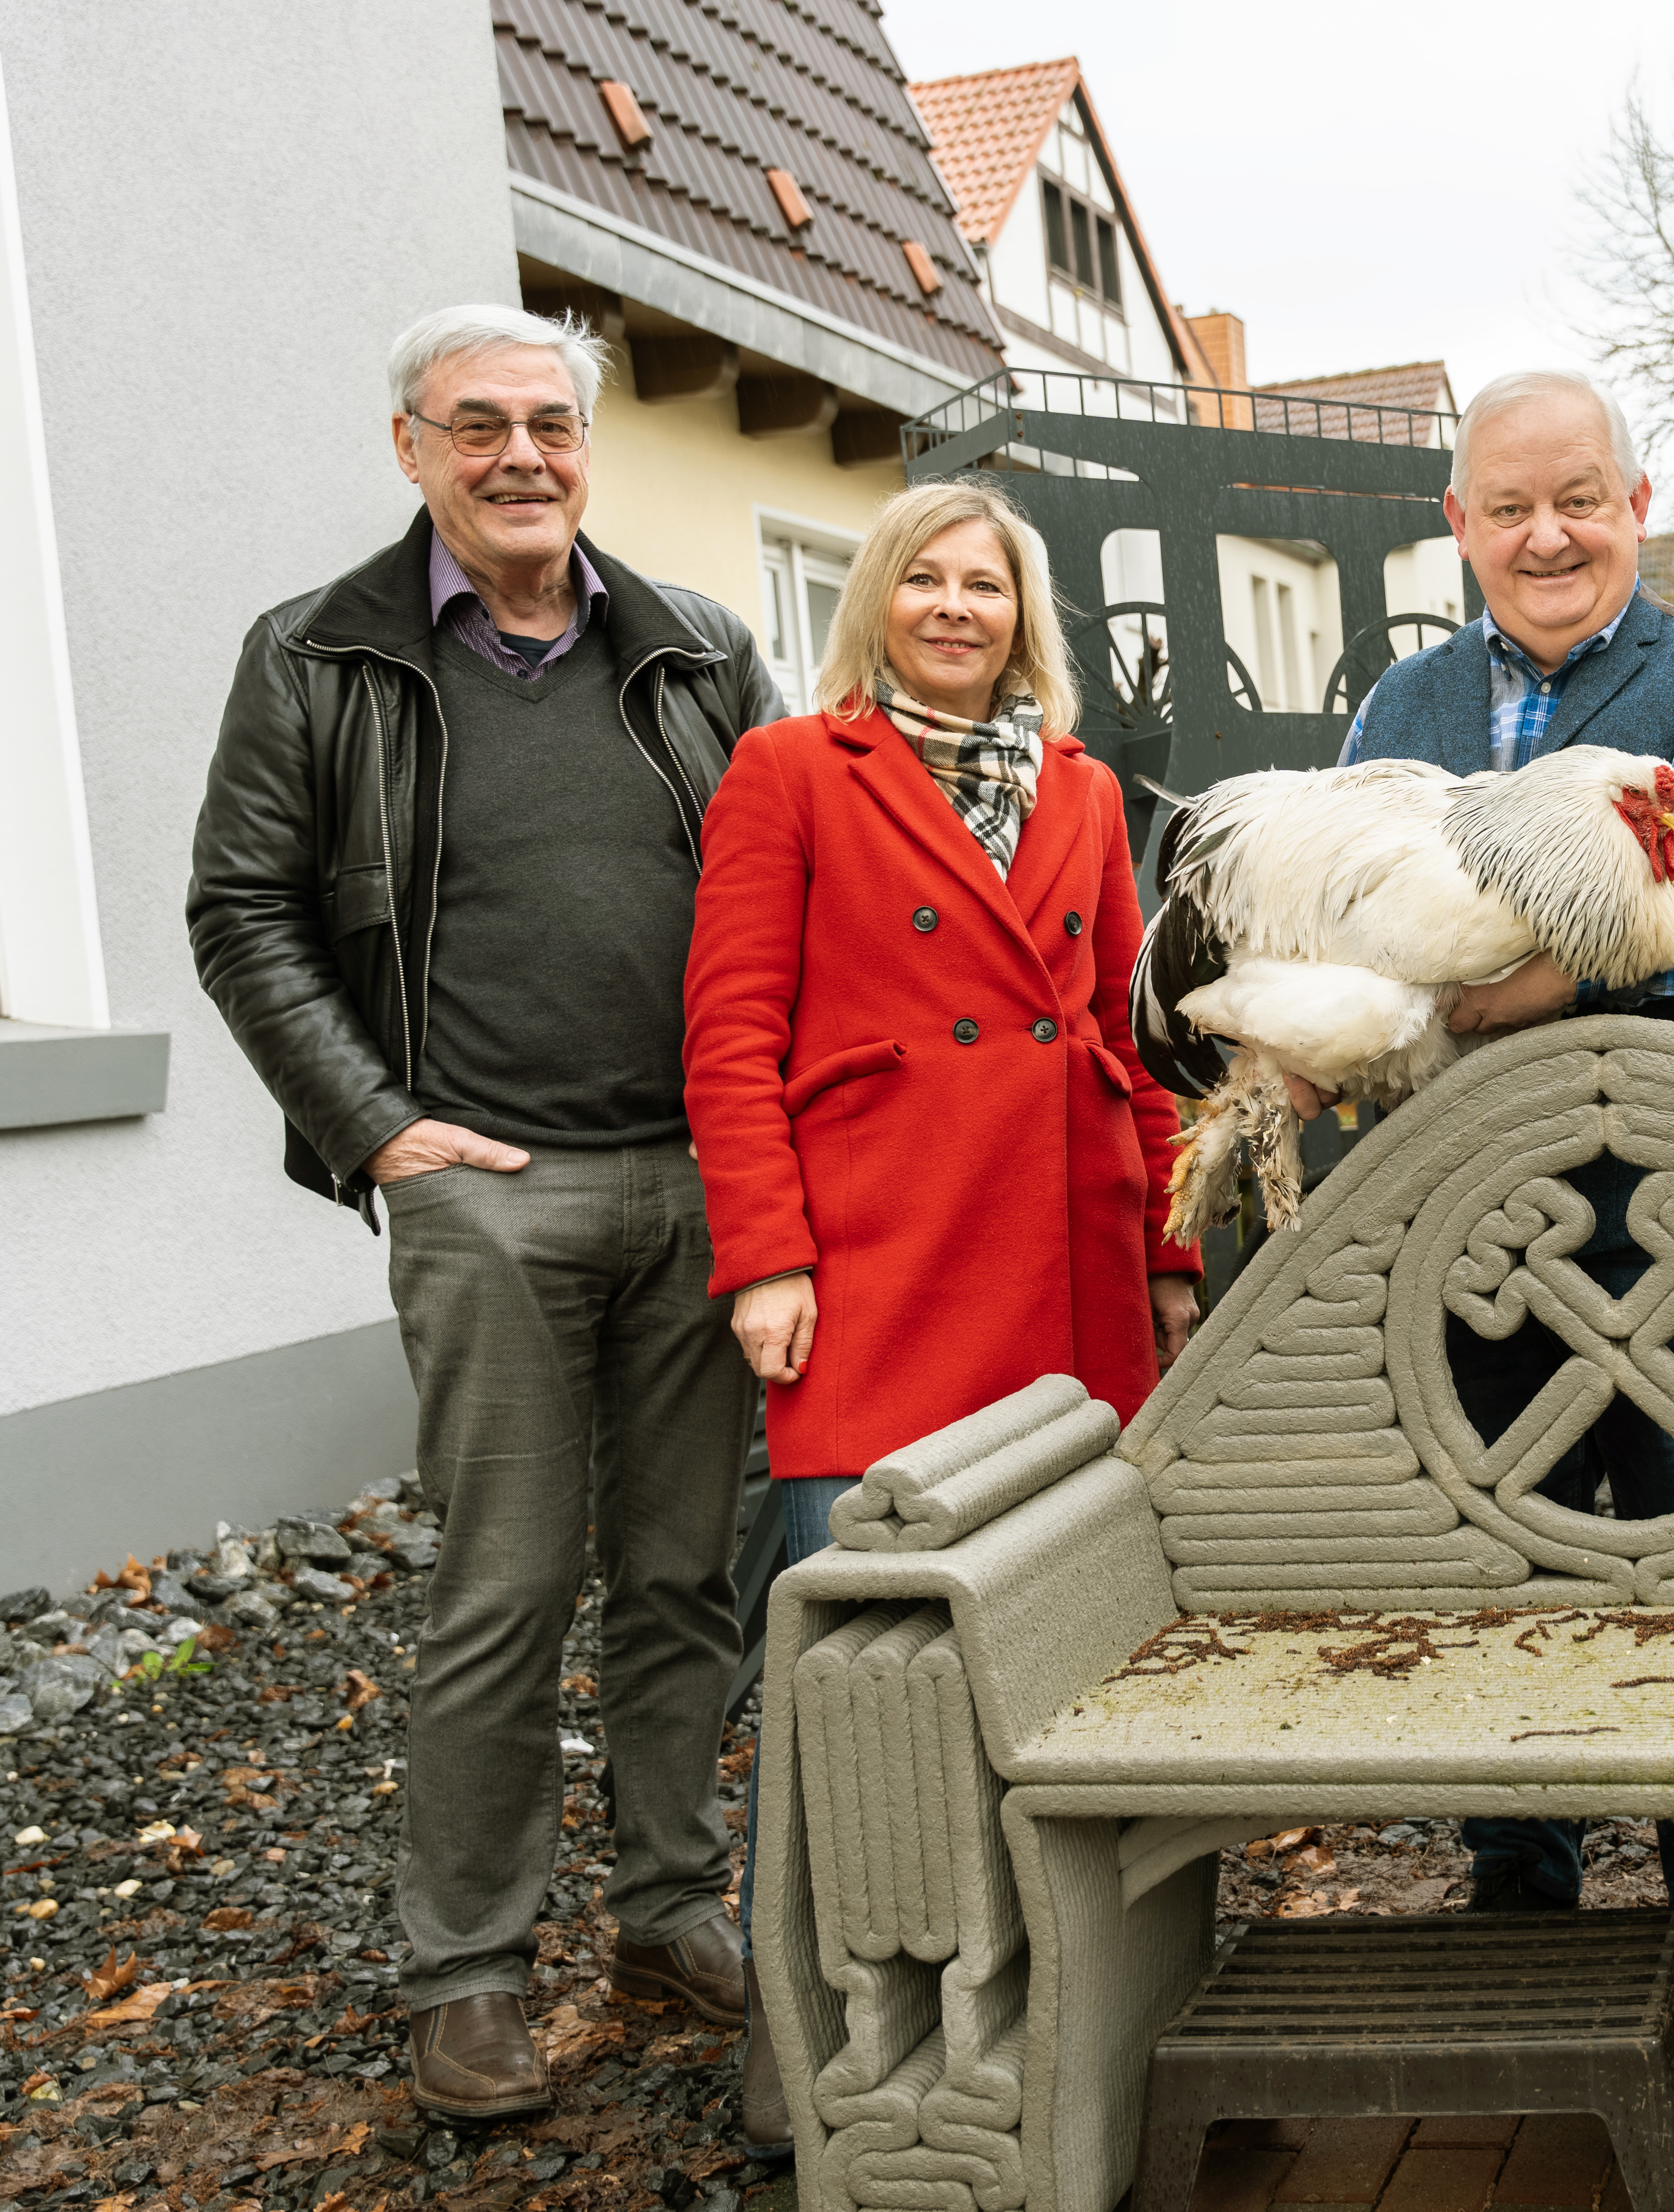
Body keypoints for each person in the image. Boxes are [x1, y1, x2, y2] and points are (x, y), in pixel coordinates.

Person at [187, 305, 783, 2125]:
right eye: (478, 427)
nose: (520, 455)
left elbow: (791, 899)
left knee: (688, 1578)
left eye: (549, 424)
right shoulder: (317, 655)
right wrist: (375, 1129)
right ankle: (468, 1970)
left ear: (584, 450)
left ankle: (673, 1907)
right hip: (483, 1196)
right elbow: (242, 911)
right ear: (410, 448)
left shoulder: (698, 652)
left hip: (700, 1184)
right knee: (502, 1589)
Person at [683, 481, 1202, 2130]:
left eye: (986, 584)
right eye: (926, 580)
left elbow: (1137, 1040)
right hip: (876, 1259)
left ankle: (1058, 2012)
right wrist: (764, 1253)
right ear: (878, 603)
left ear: (1021, 613)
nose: (957, 607)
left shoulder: (1084, 787)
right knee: (856, 1658)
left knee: (1058, 1644)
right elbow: (730, 1034)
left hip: (1065, 1248)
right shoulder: (790, 773)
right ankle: (815, 2046)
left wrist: (1173, 1243)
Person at [1337, 367, 1674, 2012]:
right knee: (1492, 1531)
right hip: (1464, 1210)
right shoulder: (1396, 707)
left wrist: (1561, 977)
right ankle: (1521, 1881)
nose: (1543, 536)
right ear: (1456, 524)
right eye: (1505, 508)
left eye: (1576, 501)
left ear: (1636, 505)